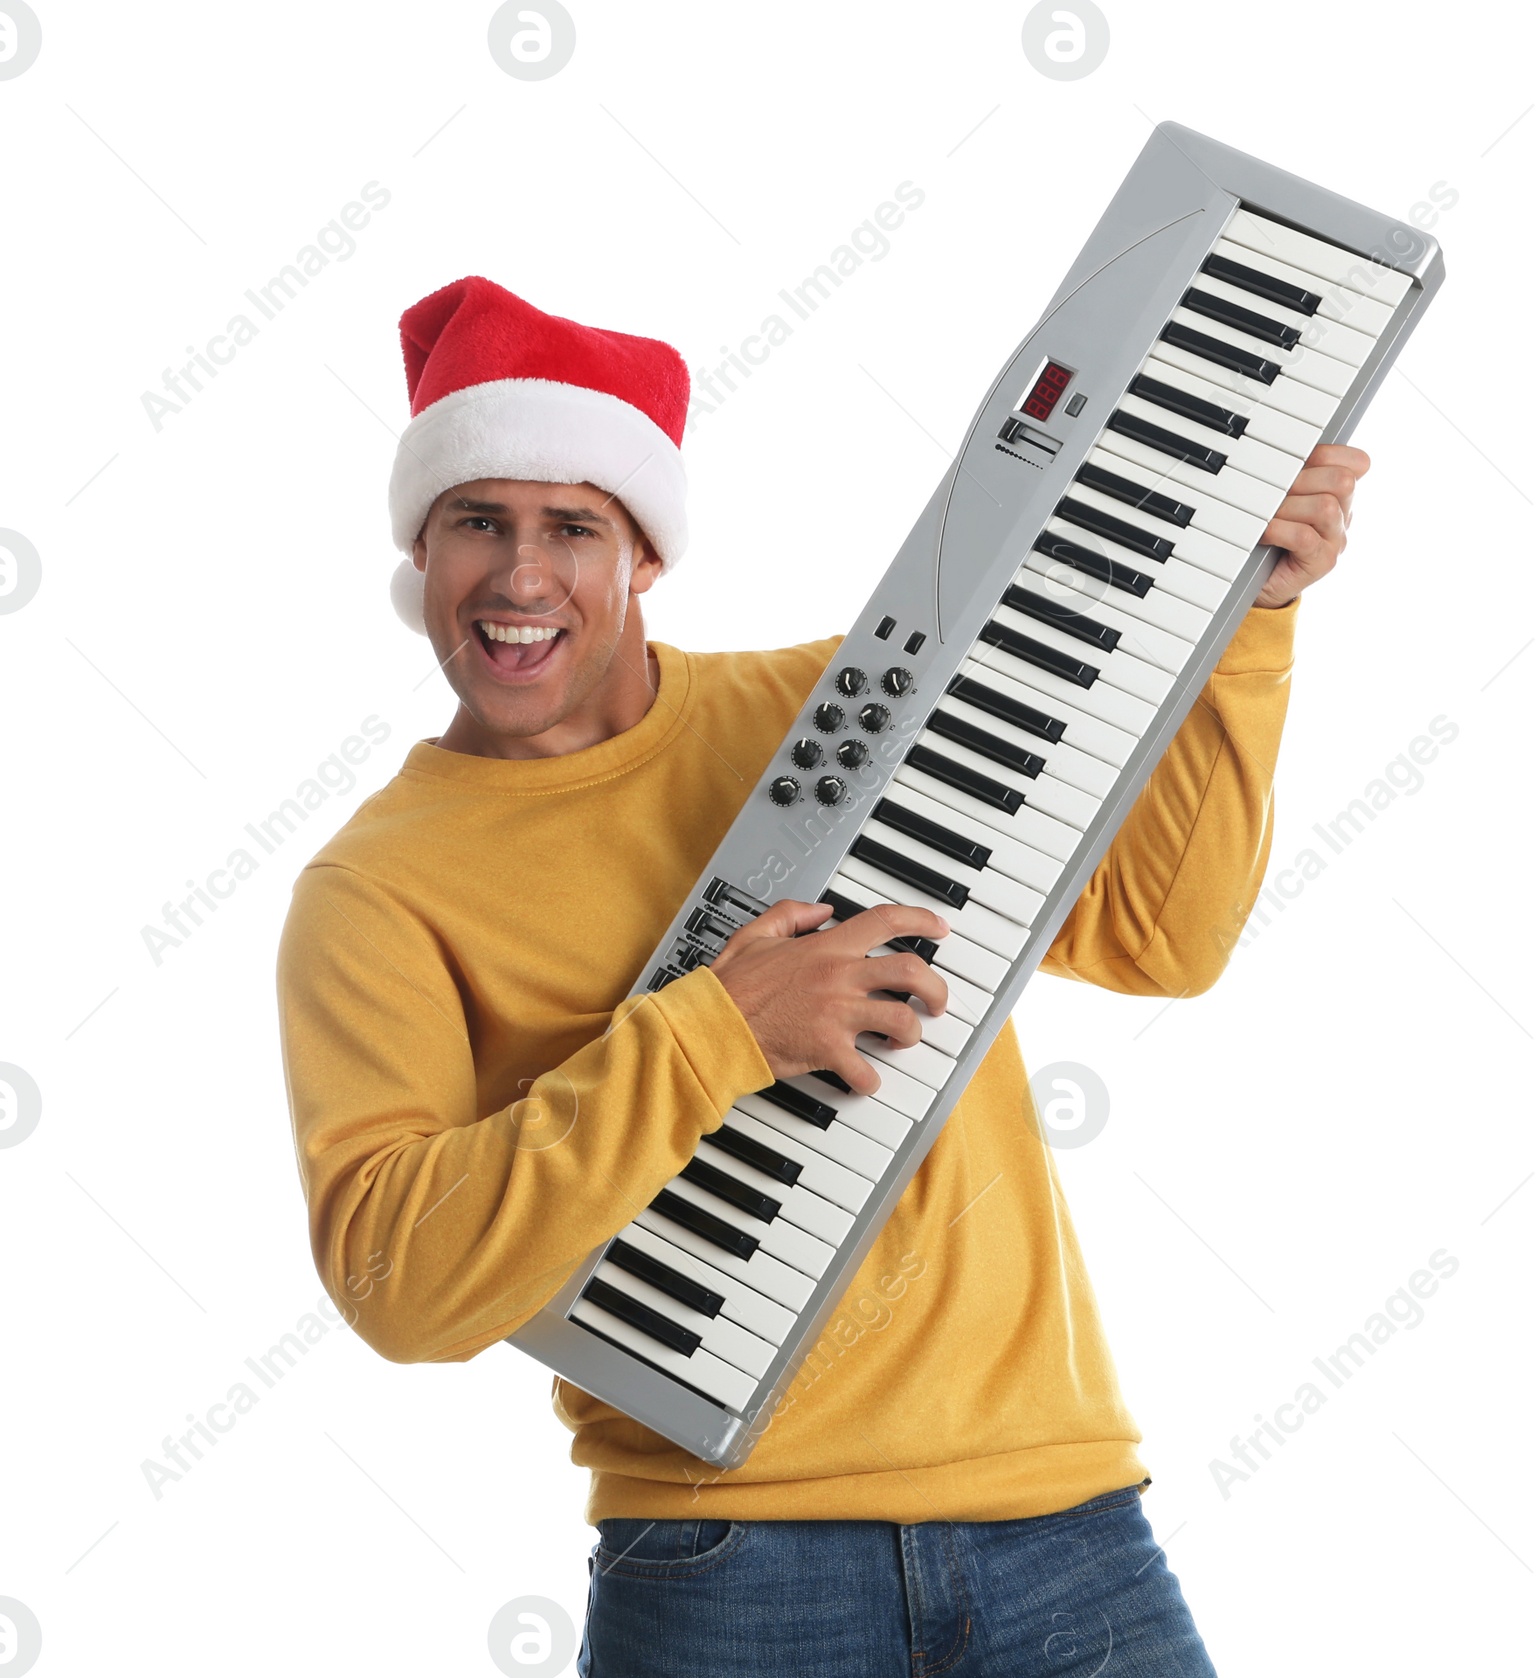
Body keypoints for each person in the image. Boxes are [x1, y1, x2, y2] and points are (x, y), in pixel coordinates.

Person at [276, 274, 1368, 1676]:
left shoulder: (840, 702)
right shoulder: (375, 888)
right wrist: (714, 1031)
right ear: (420, 550)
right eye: (477, 520)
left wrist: (1248, 625)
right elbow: (399, 1280)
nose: (522, 575)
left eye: (573, 527)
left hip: (1063, 1517)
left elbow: (1164, 933)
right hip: (725, 1555)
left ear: (644, 557)